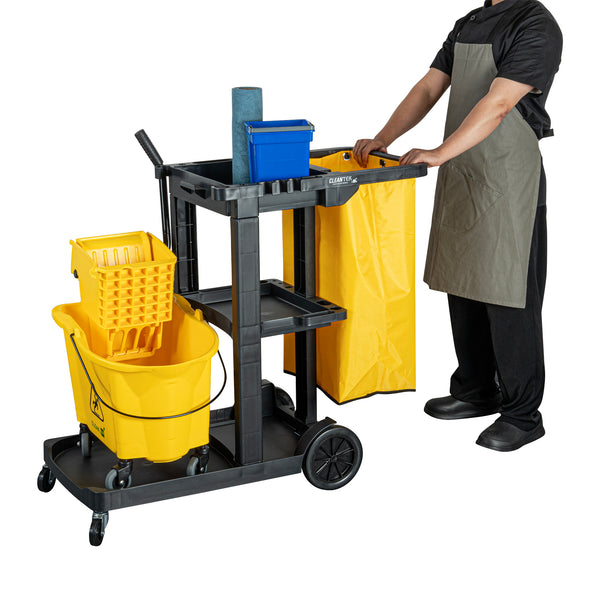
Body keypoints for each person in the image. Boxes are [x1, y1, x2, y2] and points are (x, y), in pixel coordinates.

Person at [353, 0, 562, 451]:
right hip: (465, 169)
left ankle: (522, 415)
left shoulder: (535, 23)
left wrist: (438, 153)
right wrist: (384, 138)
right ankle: (475, 389)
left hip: (508, 178)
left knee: (508, 294)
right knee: (463, 282)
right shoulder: (470, 22)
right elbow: (429, 86)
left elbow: (500, 102)